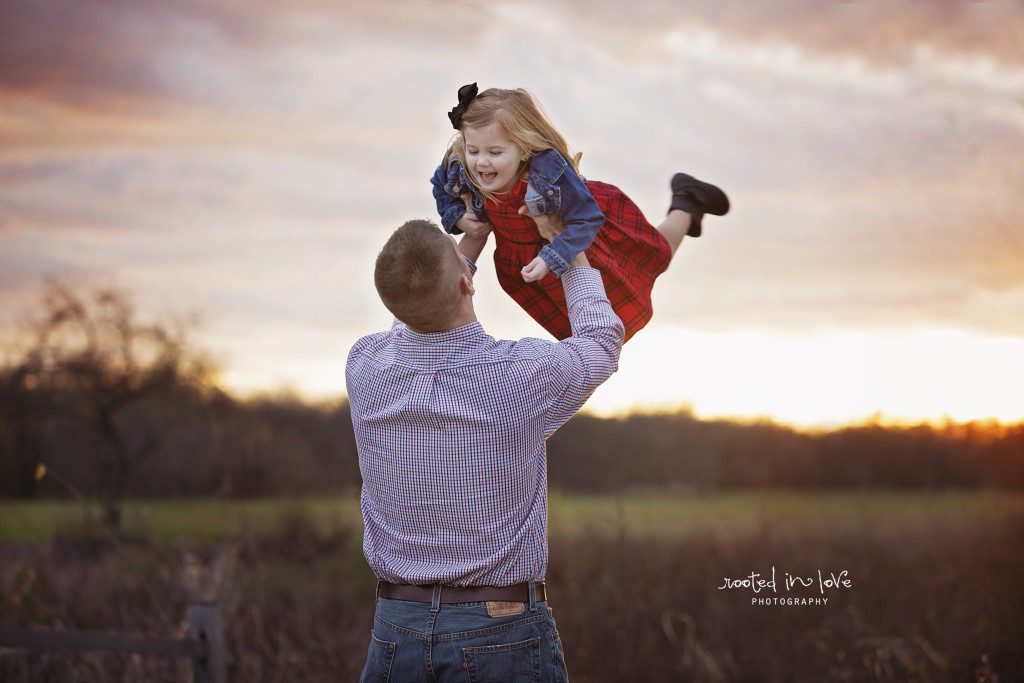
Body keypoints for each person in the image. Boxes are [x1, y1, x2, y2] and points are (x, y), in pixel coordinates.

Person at [347, 213, 623, 681]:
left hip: (396, 628)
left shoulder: (366, 366)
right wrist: (568, 246)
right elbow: (600, 342)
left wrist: (472, 239)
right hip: (499, 634)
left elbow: (417, 309)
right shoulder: (519, 375)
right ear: (465, 282)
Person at [431, 82, 730, 343]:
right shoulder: (461, 166)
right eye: (474, 151)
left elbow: (586, 219)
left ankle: (686, 200)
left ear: (523, 148)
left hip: (580, 237)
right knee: (592, 330)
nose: (481, 162)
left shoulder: (547, 172)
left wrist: (553, 255)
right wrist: (456, 216)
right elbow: (441, 185)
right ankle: (688, 201)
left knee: (656, 255)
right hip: (528, 259)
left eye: (495, 153)